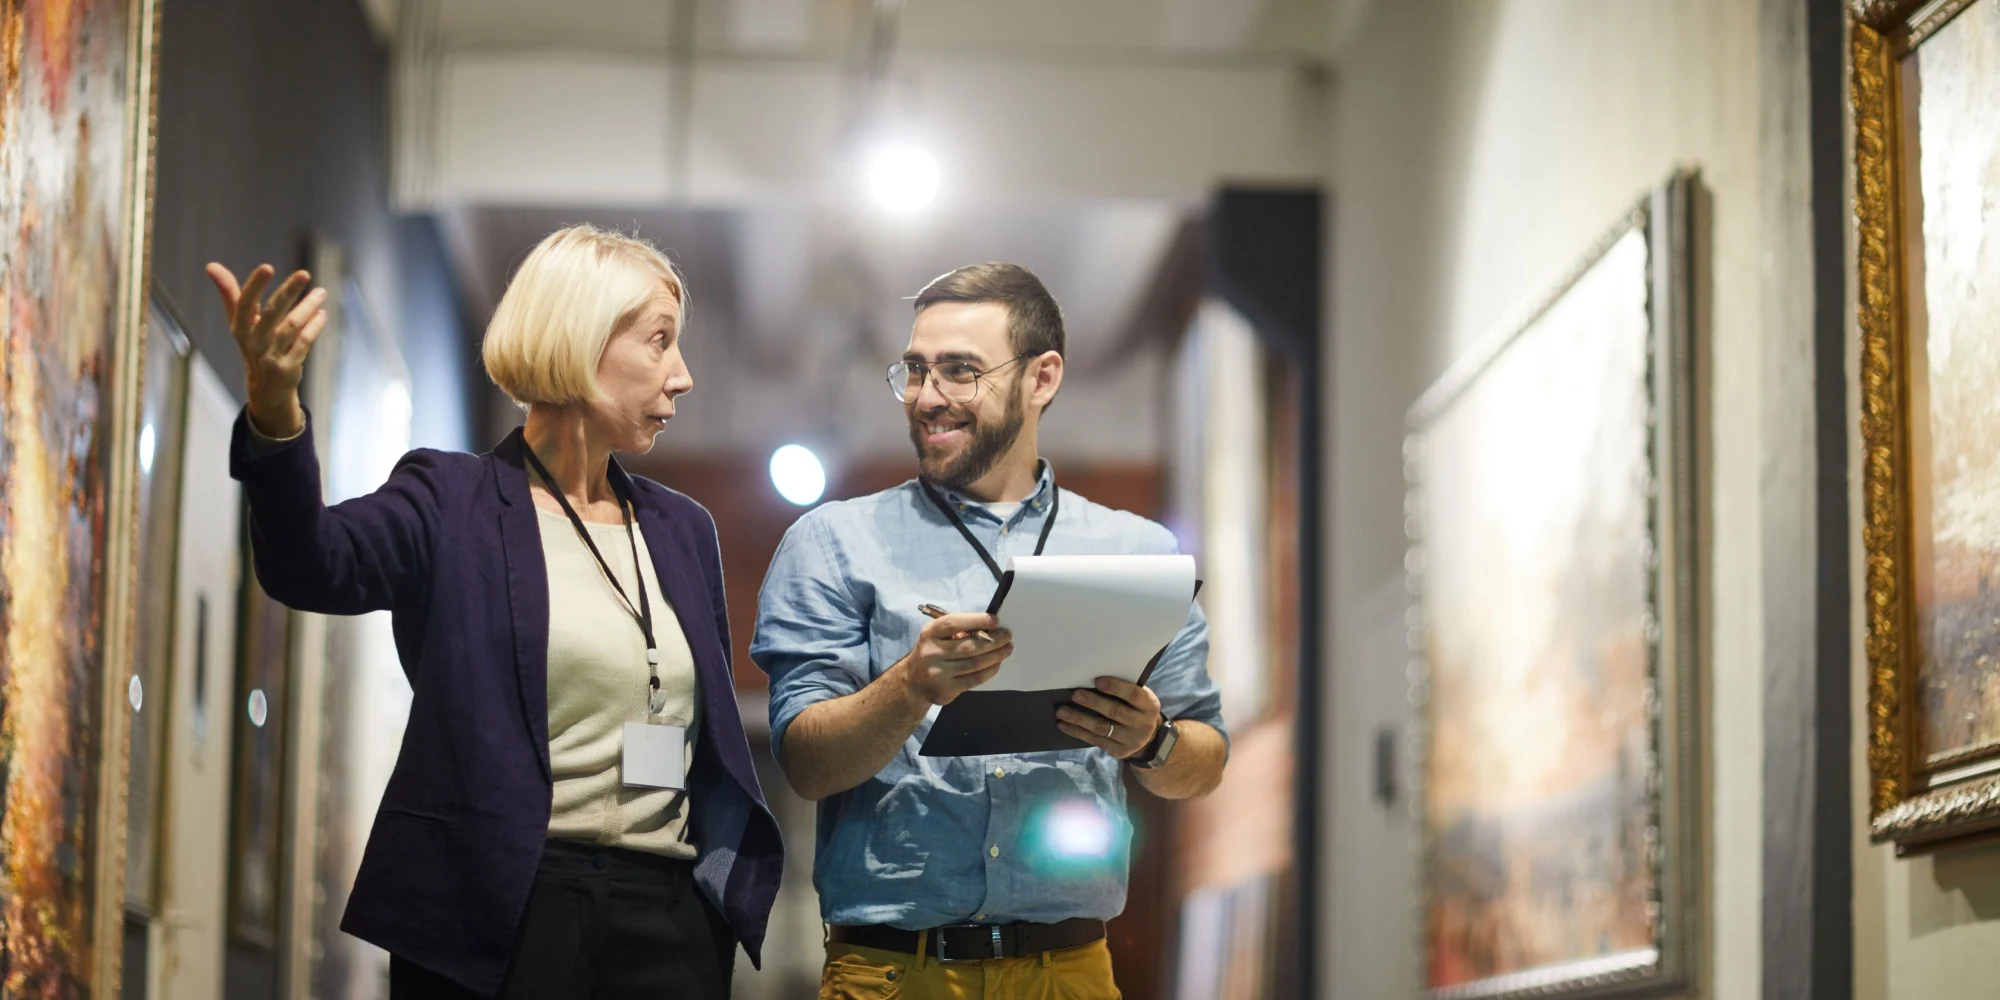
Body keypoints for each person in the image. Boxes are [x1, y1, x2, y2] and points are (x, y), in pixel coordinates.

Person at [210, 224, 781, 999]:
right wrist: (276, 411)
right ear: (580, 339)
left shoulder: (684, 529)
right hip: (499, 911)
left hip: (667, 916)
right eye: (659, 342)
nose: (682, 376)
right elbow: (312, 568)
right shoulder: (450, 499)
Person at [751, 262, 1228, 998]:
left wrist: (1152, 741)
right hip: (890, 973)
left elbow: (1205, 759)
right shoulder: (832, 542)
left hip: (1070, 973)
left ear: (1042, 379)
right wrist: (910, 686)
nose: (927, 398)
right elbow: (806, 764)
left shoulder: (1138, 553)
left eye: (959, 371)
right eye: (914, 371)